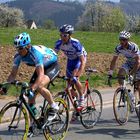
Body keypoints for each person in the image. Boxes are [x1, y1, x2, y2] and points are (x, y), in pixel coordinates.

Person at [0, 32, 60, 137]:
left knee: (39, 86)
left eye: (21, 48)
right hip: (41, 66)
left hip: (52, 65)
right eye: (17, 48)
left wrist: (33, 88)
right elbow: (12, 74)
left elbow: (41, 75)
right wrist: (6, 87)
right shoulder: (18, 56)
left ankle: (54, 106)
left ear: (28, 46)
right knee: (30, 98)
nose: (18, 51)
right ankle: (33, 125)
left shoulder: (35, 53)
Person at [54, 24, 87, 119]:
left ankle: (81, 99)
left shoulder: (75, 43)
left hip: (79, 59)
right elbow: (53, 57)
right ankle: (76, 106)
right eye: (61, 35)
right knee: (69, 84)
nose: (62, 37)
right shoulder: (58, 43)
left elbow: (82, 61)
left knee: (75, 79)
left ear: (69, 35)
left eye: (65, 35)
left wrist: (78, 74)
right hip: (70, 60)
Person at [108, 30, 140, 107]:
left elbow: (138, 62)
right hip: (129, 63)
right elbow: (113, 60)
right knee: (120, 75)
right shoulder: (118, 48)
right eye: (121, 39)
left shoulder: (133, 47)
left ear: (128, 40)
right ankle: (127, 92)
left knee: (137, 85)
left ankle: (138, 100)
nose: (122, 41)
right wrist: (110, 73)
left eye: (124, 39)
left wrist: (131, 73)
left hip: (138, 64)